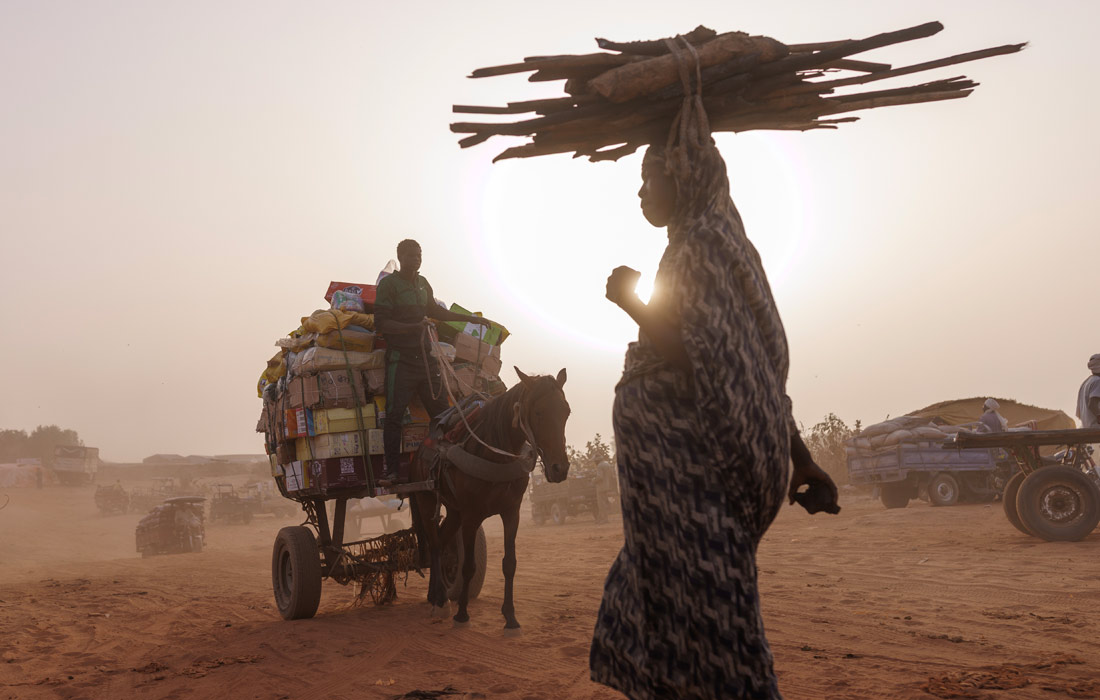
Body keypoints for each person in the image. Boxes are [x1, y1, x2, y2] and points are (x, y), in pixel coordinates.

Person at [588, 103, 839, 699]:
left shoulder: (698, 249)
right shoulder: (723, 243)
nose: (641, 192)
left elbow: (701, 354)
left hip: (694, 479)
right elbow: (749, 370)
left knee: (715, 614)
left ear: (684, 180)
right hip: (677, 491)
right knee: (657, 595)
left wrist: (630, 301)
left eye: (651, 178)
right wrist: (800, 457)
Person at [373, 239, 496, 483]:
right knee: (395, 415)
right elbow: (382, 324)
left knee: (443, 413)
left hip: (426, 361)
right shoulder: (389, 285)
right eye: (411, 255)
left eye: (419, 255)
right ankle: (392, 471)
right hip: (401, 360)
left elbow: (437, 312)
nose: (417, 259)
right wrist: (413, 327)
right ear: (401, 257)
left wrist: (472, 320)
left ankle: (447, 462)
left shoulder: (422, 284)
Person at [1077, 354, 1100, 429]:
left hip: (1087, 427)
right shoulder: (1097, 381)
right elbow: (1092, 404)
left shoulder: (1087, 382)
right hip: (1096, 428)